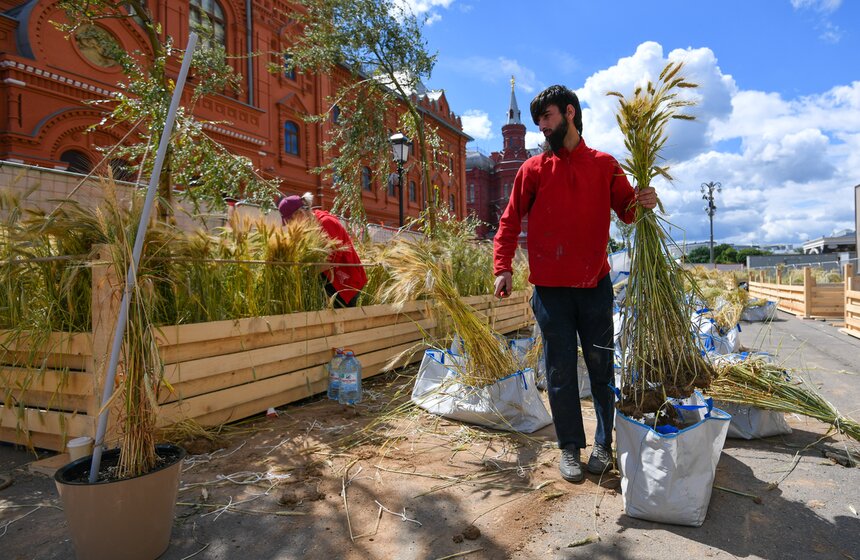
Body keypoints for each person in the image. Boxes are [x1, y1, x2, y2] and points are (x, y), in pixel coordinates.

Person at [492, 85, 657, 483]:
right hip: (550, 292)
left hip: (595, 287)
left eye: (547, 117)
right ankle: (569, 448)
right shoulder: (532, 170)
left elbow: (628, 212)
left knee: (602, 369)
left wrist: (645, 199)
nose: (542, 128)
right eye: (537, 122)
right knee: (560, 372)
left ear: (569, 113)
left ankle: (603, 443)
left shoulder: (604, 165)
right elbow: (510, 220)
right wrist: (503, 266)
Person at [278, 192, 368, 307]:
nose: (290, 226)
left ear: (300, 213)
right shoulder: (309, 224)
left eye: (290, 221)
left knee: (339, 321)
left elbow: (327, 262)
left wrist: (298, 274)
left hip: (346, 282)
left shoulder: (326, 223)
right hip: (329, 279)